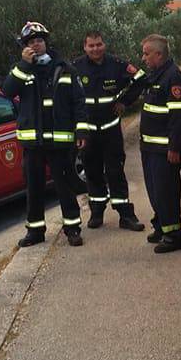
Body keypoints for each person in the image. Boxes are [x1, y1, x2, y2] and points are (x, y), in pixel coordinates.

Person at [2, 22, 89, 248]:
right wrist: (24, 64)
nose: (36, 45)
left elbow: (79, 102)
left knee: (64, 187)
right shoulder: (22, 70)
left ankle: (73, 228)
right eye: (31, 42)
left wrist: (81, 129)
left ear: (46, 43)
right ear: (25, 47)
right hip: (33, 144)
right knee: (34, 189)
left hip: (59, 143)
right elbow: (8, 90)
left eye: (39, 40)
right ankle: (35, 231)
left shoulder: (65, 68)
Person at [118, 34, 181, 254]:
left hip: (165, 150)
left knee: (166, 192)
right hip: (149, 148)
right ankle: (161, 226)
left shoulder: (173, 78)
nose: (143, 57)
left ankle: (173, 235)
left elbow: (178, 119)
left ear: (158, 54)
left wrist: (175, 148)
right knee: (155, 191)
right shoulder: (156, 75)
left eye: (147, 53)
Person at [72, 30, 146, 231]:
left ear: (104, 45)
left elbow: (140, 79)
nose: (95, 49)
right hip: (88, 131)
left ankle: (126, 215)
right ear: (85, 47)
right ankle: (97, 212)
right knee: (92, 172)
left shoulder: (117, 65)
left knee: (115, 171)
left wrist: (125, 101)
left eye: (98, 44)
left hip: (110, 129)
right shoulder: (76, 68)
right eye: (91, 45)